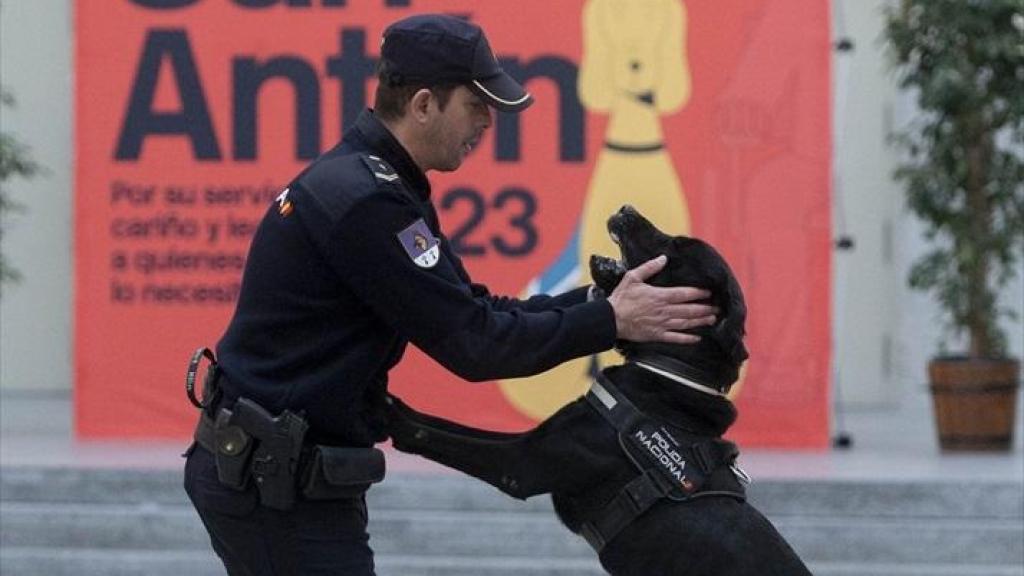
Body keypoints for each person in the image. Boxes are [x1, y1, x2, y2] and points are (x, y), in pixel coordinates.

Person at [183, 13, 717, 576]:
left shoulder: (381, 184)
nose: (487, 121)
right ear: (423, 105)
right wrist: (611, 320)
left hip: (280, 476)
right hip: (274, 488)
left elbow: (478, 311)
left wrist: (601, 302)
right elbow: (477, 345)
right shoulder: (368, 201)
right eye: (476, 105)